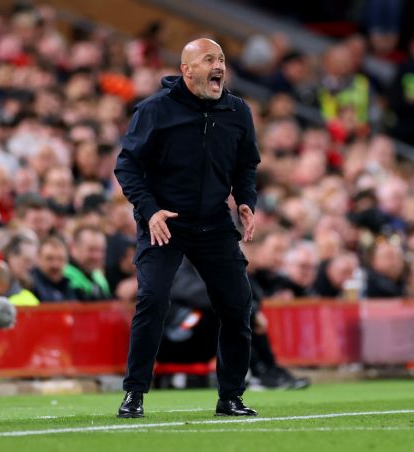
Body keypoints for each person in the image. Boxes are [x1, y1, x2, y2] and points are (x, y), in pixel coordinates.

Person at [114, 38, 260, 418]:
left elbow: (246, 165)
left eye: (223, 60)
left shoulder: (237, 111)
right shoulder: (155, 110)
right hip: (165, 221)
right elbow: (127, 165)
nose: (219, 66)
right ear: (187, 69)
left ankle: (230, 397)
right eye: (209, 59)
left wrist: (246, 200)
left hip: (213, 221)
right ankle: (134, 394)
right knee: (153, 299)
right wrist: (149, 211)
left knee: (238, 305)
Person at [64, 225, 111, 301]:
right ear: (74, 248)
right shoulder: (63, 276)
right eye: (91, 250)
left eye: (101, 251)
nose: (97, 256)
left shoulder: (99, 277)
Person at [30, 235, 76, 302]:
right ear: (38, 258)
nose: (55, 265)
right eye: (49, 258)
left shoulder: (70, 286)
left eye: (60, 259)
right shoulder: (30, 285)